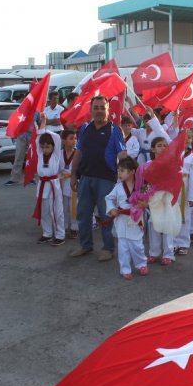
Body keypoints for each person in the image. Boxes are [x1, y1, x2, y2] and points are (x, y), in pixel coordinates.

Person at [70, 95, 127, 260]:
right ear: (90, 110)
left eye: (103, 107)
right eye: (96, 107)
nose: (99, 111)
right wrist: (74, 175)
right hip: (85, 178)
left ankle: (108, 248)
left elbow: (122, 154)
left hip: (106, 179)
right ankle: (85, 245)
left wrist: (129, 174)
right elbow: (78, 152)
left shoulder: (115, 130)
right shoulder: (85, 128)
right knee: (83, 214)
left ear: (108, 110)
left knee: (106, 215)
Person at [106, 157, 148, 279]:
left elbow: (151, 198)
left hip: (136, 219)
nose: (119, 173)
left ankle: (141, 264)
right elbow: (109, 198)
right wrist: (112, 209)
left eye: (122, 170)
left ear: (132, 172)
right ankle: (125, 269)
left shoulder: (143, 186)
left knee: (137, 245)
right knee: (123, 246)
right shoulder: (118, 187)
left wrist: (145, 204)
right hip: (122, 219)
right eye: (118, 170)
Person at [32, 114, 65, 246]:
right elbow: (38, 138)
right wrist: (42, 124)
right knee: (44, 210)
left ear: (53, 147)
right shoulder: (40, 154)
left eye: (48, 147)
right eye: (43, 147)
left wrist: (45, 127)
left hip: (53, 184)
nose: (45, 150)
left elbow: (56, 138)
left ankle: (60, 235)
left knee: (57, 211)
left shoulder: (56, 154)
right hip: (42, 184)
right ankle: (47, 233)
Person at [143, 137, 176, 266]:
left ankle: (168, 254)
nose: (162, 148)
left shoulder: (171, 164)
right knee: (153, 225)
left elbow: (175, 182)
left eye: (164, 145)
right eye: (159, 145)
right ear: (153, 149)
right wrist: (145, 196)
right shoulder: (148, 165)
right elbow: (145, 183)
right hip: (153, 199)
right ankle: (154, 253)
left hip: (167, 198)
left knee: (167, 226)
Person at [173, 132, 193, 256]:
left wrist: (192, 196)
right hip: (173, 187)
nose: (187, 140)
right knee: (172, 215)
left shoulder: (192, 157)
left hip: (185, 188)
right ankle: (172, 242)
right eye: (184, 137)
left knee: (185, 216)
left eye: (189, 137)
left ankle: (183, 243)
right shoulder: (173, 153)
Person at [60, 130, 78, 239]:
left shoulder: (78, 153)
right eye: (71, 138)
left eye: (75, 138)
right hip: (62, 181)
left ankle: (74, 227)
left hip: (74, 181)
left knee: (74, 206)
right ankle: (64, 226)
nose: (74, 141)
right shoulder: (59, 153)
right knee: (63, 206)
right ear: (63, 140)